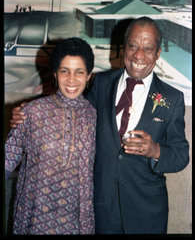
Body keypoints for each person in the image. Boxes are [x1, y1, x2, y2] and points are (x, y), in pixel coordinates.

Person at [10, 17, 189, 234]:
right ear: (124, 49)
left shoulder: (172, 97)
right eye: (132, 46)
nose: (138, 55)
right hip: (101, 209)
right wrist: (26, 115)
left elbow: (181, 154)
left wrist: (155, 150)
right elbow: (75, 109)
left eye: (148, 48)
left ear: (158, 53)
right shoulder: (103, 83)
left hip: (146, 210)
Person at [5, 38, 97, 235]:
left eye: (79, 72)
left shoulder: (94, 115)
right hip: (36, 217)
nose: (71, 79)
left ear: (89, 75)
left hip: (78, 219)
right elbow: (8, 158)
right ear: (55, 74)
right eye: (64, 71)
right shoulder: (32, 112)